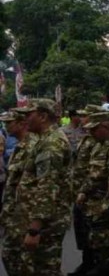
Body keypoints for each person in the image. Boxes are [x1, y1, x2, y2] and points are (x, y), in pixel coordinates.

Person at [15, 99, 72, 275]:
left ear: (42, 116)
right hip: (44, 218)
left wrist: (34, 228)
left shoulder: (51, 144)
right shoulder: (45, 139)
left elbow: (48, 187)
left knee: (44, 269)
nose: (25, 119)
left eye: (28, 114)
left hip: (47, 222)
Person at [76, 111, 109, 275]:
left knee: (102, 243)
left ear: (106, 127)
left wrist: (105, 208)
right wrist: (83, 192)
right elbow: (93, 173)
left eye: (94, 129)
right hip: (93, 202)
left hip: (106, 205)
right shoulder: (99, 145)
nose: (90, 132)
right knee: (97, 242)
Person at [68, 104, 104, 276]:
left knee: (94, 232)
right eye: (81, 116)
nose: (82, 119)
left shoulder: (98, 141)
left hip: (91, 194)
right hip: (80, 191)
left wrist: (84, 190)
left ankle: (99, 264)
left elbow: (96, 172)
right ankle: (87, 262)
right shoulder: (85, 137)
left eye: (85, 116)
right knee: (82, 229)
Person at [0, 110, 33, 276]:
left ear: (22, 124)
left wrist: (34, 227)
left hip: (25, 215)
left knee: (26, 263)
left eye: (9, 122)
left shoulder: (32, 147)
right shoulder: (19, 145)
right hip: (13, 214)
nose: (6, 126)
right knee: (10, 257)